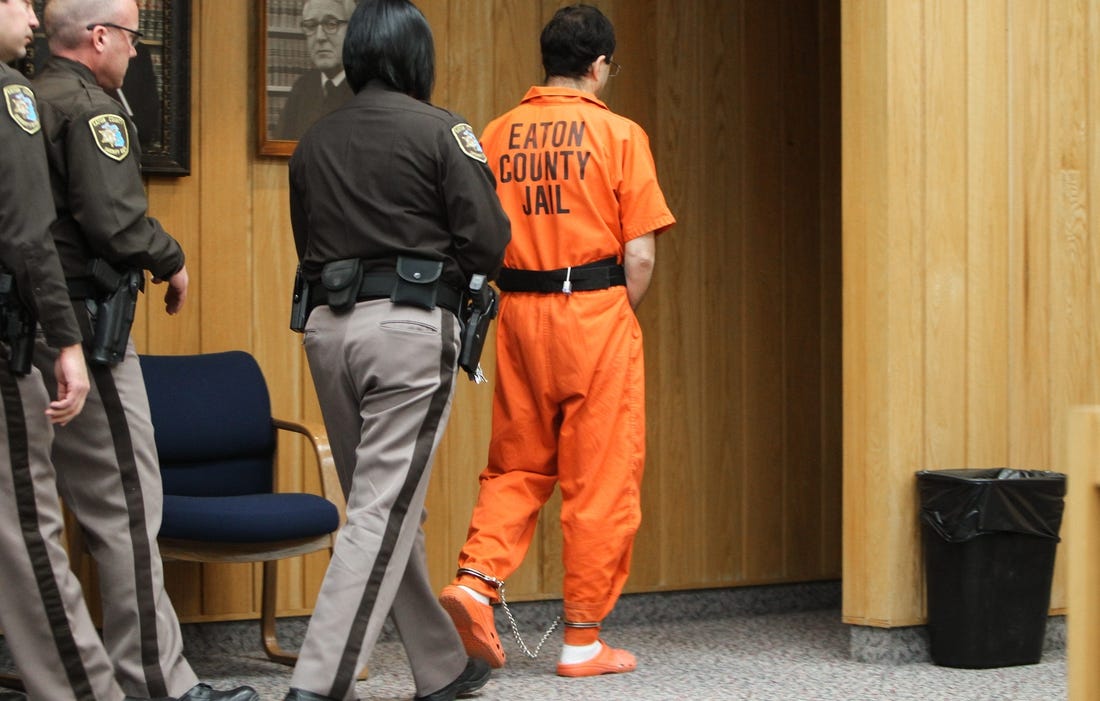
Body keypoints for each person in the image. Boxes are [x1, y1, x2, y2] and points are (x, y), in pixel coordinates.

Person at [438, 3, 675, 679]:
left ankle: (477, 583)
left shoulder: (497, 133)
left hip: (517, 311)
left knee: (516, 464)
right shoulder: (621, 135)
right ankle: (582, 639)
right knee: (599, 478)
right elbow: (642, 258)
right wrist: (611, 313)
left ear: (546, 64)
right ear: (598, 67)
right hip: (594, 311)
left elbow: (478, 235)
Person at [30, 1, 259, 700]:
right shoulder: (90, 109)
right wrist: (171, 255)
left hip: (33, 326)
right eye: (131, 35)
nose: (135, 49)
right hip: (84, 331)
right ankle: (157, 682)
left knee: (37, 513)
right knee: (127, 506)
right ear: (98, 37)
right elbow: (114, 221)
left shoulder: (26, 100)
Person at [283, 1, 510, 699]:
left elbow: (307, 239)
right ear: (416, 58)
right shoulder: (443, 130)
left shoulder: (314, 139)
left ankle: (441, 664)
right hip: (409, 330)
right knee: (382, 509)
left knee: (381, 503)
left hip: (328, 331)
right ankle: (315, 684)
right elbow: (488, 240)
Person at [0, 1, 126, 699]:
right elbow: (26, 234)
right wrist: (66, 340)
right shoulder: (10, 92)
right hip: (10, 341)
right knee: (28, 526)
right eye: (18, 0)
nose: (29, 16)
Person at [274, 0, 356, 141]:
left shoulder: (366, 89)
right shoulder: (302, 87)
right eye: (310, 26)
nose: (319, 37)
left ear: (353, 31)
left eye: (331, 24)